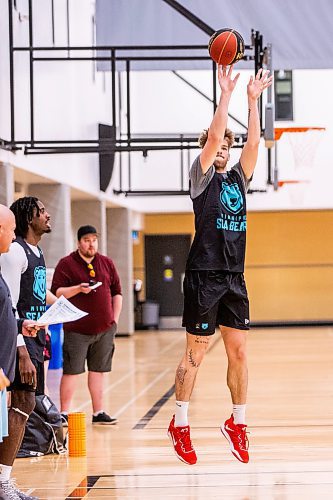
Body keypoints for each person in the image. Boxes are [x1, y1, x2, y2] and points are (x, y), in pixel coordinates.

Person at [168, 65, 273, 465]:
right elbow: (213, 136)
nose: (224, 150)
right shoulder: (201, 176)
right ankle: (180, 423)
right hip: (203, 276)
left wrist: (252, 100)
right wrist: (226, 93)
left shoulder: (237, 181)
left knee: (240, 353)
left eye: (228, 148)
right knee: (195, 354)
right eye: (219, 148)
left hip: (234, 276)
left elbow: (254, 144)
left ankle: (238, 423)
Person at [51, 225, 122, 425]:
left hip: (104, 329)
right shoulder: (66, 264)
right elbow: (56, 293)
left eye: (94, 240)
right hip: (76, 330)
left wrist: (114, 320)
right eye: (86, 240)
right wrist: (78, 289)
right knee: (72, 371)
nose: (91, 244)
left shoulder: (106, 263)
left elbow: (117, 292)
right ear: (79, 242)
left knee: (98, 370)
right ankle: (64, 413)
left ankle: (98, 412)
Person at [0, 203, 41, 500]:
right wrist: (19, 349)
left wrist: (19, 324)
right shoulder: (13, 258)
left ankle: (3, 482)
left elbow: (6, 311)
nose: (14, 238)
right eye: (10, 230)